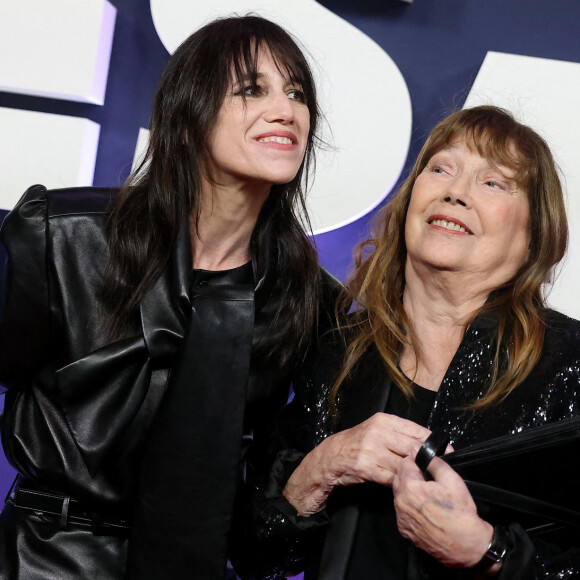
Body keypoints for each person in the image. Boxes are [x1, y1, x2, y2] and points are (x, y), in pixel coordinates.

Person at [0, 15, 341, 580]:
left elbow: (263, 477)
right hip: (40, 560)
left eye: (297, 93)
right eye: (251, 89)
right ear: (186, 119)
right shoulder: (62, 237)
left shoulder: (303, 298)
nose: (286, 109)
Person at [253, 105, 580, 579]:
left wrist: (489, 553)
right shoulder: (335, 352)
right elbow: (255, 558)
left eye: (493, 182)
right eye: (441, 168)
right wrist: (318, 472)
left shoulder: (568, 363)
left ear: (535, 234)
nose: (455, 193)